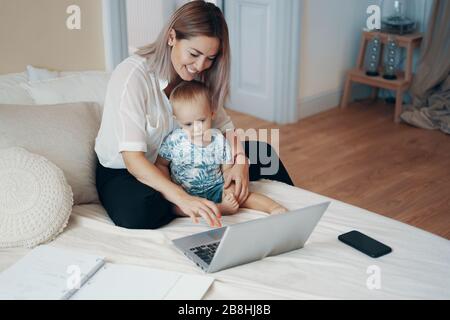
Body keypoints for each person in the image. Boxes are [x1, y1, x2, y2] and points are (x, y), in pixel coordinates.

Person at [94, 0, 294, 230]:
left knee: (264, 153)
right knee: (139, 210)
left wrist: (240, 163)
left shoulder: (196, 78)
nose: (200, 66)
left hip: (186, 161)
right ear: (172, 38)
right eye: (194, 53)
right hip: (127, 170)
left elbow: (226, 128)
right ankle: (199, 205)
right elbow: (133, 160)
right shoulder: (132, 76)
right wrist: (182, 197)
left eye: (210, 58)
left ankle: (299, 222)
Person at [155, 81, 288, 226]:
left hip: (216, 188)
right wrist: (171, 187)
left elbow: (227, 168)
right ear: (177, 121)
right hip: (185, 194)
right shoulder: (173, 141)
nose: (197, 128)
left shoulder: (218, 140)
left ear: (212, 114)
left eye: (201, 120)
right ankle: (221, 209)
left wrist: (229, 189)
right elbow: (161, 164)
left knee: (242, 195)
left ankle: (274, 208)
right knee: (173, 208)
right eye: (188, 124)